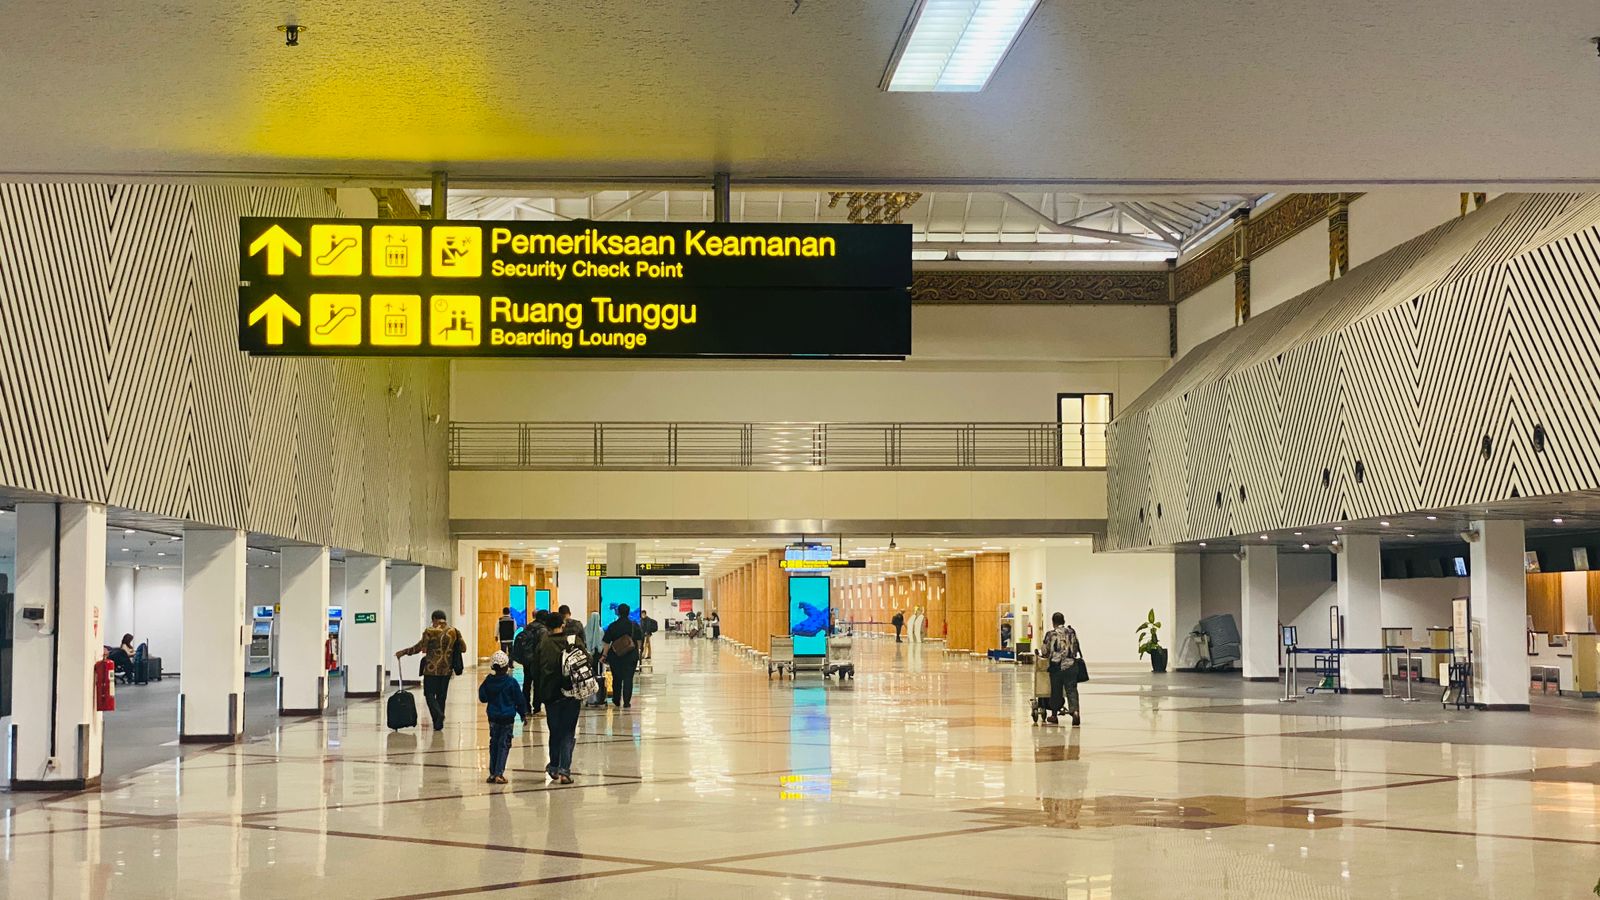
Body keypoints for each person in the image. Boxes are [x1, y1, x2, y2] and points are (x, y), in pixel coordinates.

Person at [536, 619, 589, 783]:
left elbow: (536, 668)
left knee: (555, 732)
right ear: (562, 625)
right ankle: (565, 771)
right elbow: (587, 662)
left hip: (551, 695)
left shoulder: (543, 644)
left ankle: (553, 767)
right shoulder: (574, 642)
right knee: (568, 731)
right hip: (572, 693)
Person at [396, 610, 466, 730]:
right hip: (447, 670)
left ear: (434, 619)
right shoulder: (454, 631)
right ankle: (438, 724)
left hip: (431, 669)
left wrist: (404, 652)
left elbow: (419, 647)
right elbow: (463, 648)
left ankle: (438, 715)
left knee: (429, 694)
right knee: (442, 696)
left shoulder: (430, 631)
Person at [478, 650, 528, 785]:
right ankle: (499, 773)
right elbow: (519, 700)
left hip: (493, 717)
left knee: (493, 743)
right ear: (507, 667)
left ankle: (492, 773)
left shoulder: (488, 681)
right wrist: (523, 714)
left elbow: (482, 697)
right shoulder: (511, 682)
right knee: (504, 744)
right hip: (507, 718)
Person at [1040, 612, 1083, 726]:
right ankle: (1075, 712)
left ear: (1053, 622)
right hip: (1071, 666)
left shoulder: (1050, 634)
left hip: (1057, 667)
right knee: (1071, 690)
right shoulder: (1071, 632)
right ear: (1063, 621)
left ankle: (1054, 715)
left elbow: (1045, 651)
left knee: (1056, 691)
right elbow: (1076, 648)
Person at [602, 604, 644, 709]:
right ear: (628, 612)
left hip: (616, 656)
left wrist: (604, 655)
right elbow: (639, 640)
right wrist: (637, 651)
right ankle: (626, 702)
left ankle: (616, 700)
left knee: (616, 678)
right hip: (631, 655)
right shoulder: (634, 625)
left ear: (618, 612)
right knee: (628, 678)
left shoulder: (612, 626)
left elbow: (607, 642)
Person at [512, 611, 550, 720]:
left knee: (527, 683)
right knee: (537, 685)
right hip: (536, 661)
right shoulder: (543, 630)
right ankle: (537, 708)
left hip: (526, 660)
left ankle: (526, 708)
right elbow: (543, 647)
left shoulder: (528, 627)